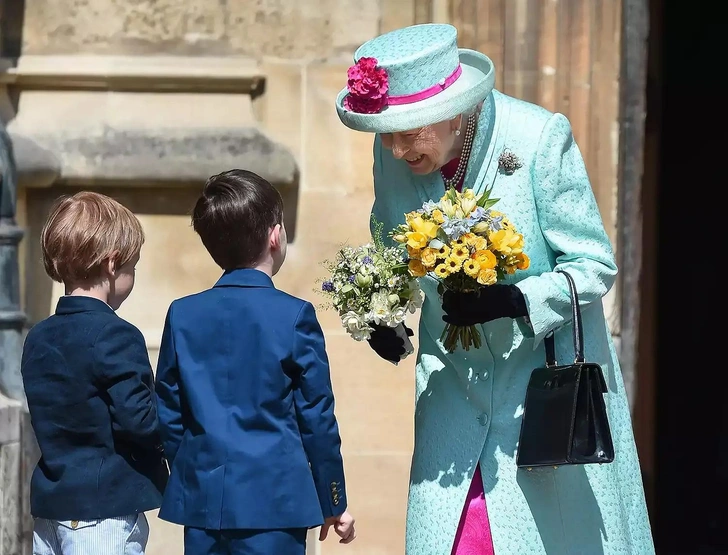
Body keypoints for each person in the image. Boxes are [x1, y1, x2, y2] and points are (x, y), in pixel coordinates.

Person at [335, 23, 654, 554]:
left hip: (537, 398)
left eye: (407, 131)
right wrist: (383, 313)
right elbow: (389, 242)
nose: (393, 149)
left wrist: (515, 299)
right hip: (450, 397)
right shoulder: (390, 153)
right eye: (385, 132)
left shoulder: (537, 139)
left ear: (453, 111)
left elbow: (594, 265)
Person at [154, 169, 356, 554]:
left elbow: (169, 411)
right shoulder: (295, 315)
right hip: (276, 505)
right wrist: (334, 500)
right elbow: (316, 418)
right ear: (275, 236)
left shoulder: (182, 314)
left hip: (204, 504)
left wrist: (195, 475)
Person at [21, 192, 168, 555]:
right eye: (132, 267)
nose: (131, 276)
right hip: (103, 513)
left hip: (52, 510)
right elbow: (140, 422)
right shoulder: (117, 334)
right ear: (112, 264)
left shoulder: (38, 336)